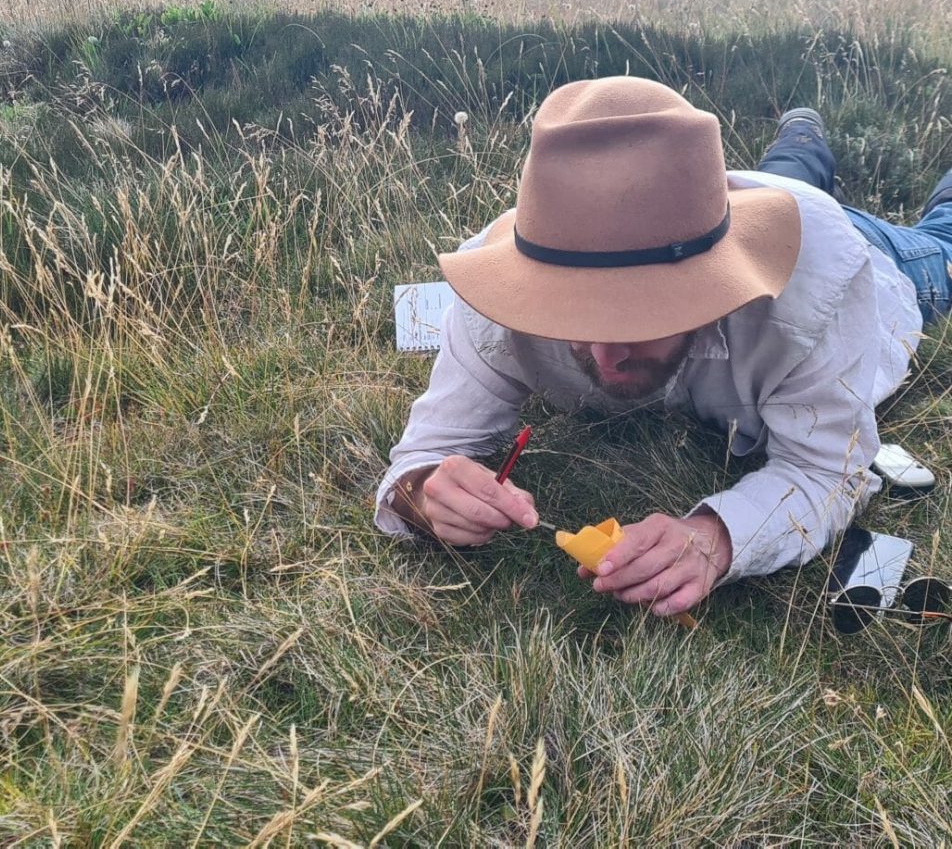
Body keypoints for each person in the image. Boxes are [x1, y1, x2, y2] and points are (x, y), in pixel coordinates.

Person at [374, 76, 951, 619]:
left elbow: (830, 471)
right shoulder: (496, 299)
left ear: (713, 283)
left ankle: (810, 150)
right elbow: (423, 457)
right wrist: (423, 493)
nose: (604, 354)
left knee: (941, 237)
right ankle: (801, 134)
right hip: (730, 201)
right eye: (568, 310)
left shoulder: (818, 288)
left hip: (879, 253)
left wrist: (718, 536)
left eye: (638, 315)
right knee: (789, 167)